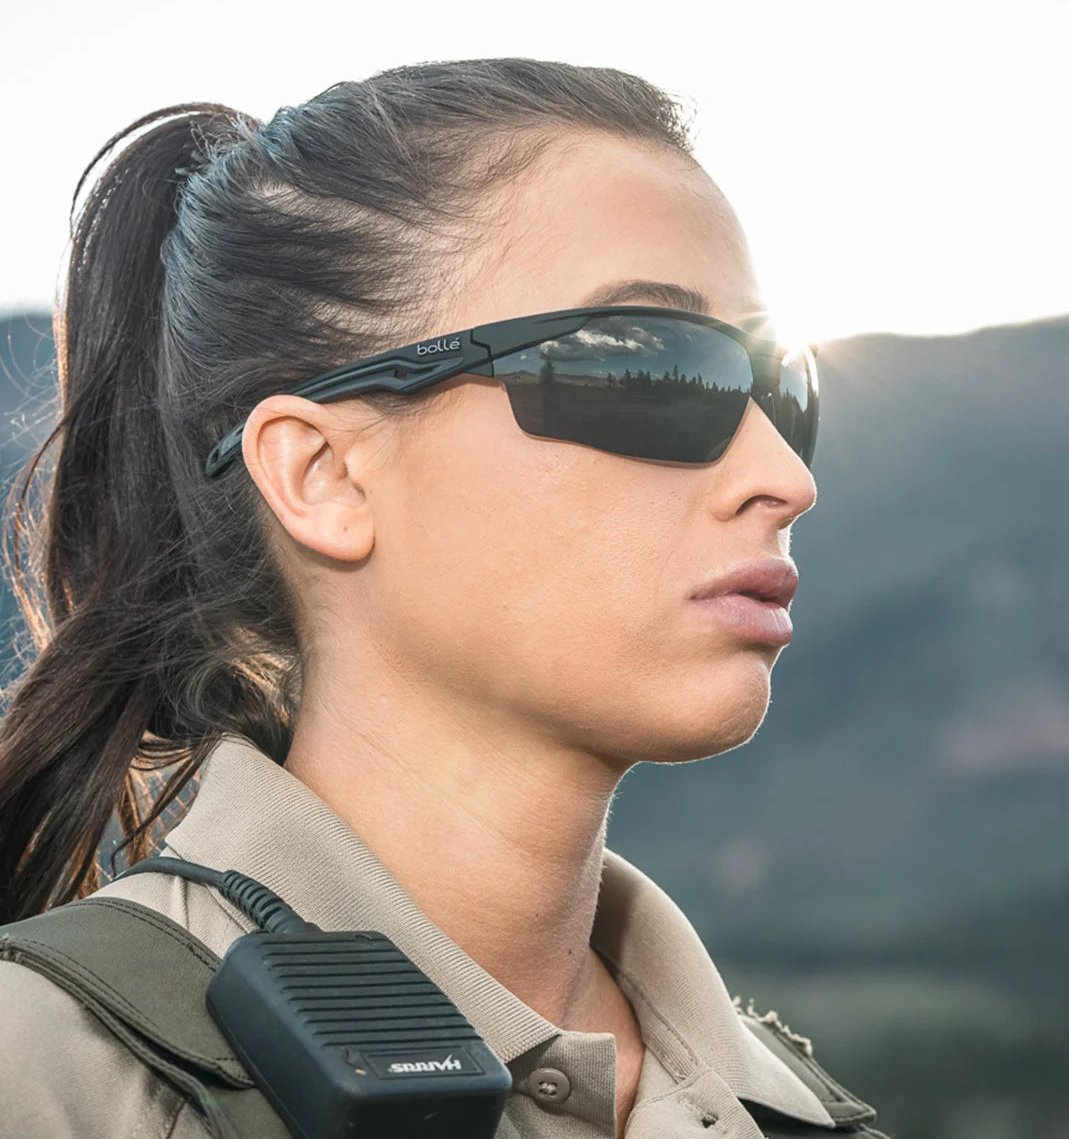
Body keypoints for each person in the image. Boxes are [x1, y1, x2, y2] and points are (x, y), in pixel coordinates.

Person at [0, 57, 886, 1138]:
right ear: (323, 476)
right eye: (650, 368)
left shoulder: (804, 1114)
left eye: (782, 388)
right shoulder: (49, 1074)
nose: (785, 477)